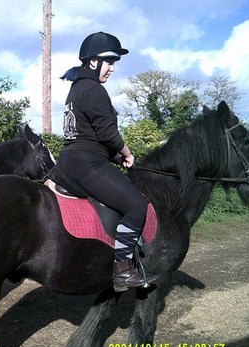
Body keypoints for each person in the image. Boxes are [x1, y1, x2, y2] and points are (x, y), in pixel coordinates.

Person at [56, 32, 158, 291]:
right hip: (88, 164)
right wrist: (126, 153)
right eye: (109, 62)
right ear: (92, 62)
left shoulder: (77, 87)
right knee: (136, 205)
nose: (112, 68)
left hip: (72, 160)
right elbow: (108, 134)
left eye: (114, 62)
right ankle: (122, 270)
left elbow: (88, 135)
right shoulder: (95, 90)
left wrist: (113, 157)